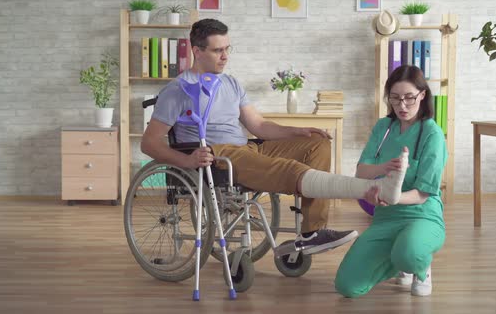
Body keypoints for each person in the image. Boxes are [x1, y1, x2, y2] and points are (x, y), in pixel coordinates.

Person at [141, 18, 409, 255]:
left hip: (246, 149)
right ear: (197, 51)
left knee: (316, 143)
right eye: (217, 50)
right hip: (216, 156)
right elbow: (149, 142)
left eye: (227, 49)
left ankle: (311, 233)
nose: (225, 56)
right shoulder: (177, 91)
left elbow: (257, 125)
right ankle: (370, 189)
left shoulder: (231, 83)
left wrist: (297, 132)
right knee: (289, 168)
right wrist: (186, 161)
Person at [334, 65, 447, 297]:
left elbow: (423, 193)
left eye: (409, 98)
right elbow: (362, 172)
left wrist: (391, 196)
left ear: (422, 95)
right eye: (395, 99)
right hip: (384, 218)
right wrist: (385, 168)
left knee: (409, 254)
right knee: (347, 286)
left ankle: (419, 265)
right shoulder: (383, 128)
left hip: (422, 215)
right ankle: (401, 259)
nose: (402, 106)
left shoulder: (432, 134)